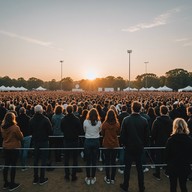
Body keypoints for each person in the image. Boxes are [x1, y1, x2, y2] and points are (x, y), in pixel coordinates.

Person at [120, 101, 149, 192]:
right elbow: (146, 136)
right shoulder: (144, 120)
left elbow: (122, 135)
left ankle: (125, 186)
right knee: (140, 170)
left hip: (129, 148)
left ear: (132, 108)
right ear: (140, 109)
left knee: (127, 169)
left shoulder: (126, 120)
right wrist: (143, 144)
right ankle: (141, 187)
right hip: (139, 148)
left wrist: (125, 144)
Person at [165, 118, 192, 192]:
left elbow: (166, 154)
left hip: (173, 166)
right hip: (184, 165)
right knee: (183, 186)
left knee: (173, 187)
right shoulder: (189, 140)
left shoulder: (170, 140)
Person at [29, 104, 52, 185]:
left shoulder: (31, 120)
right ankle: (42, 178)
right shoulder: (46, 119)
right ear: (42, 111)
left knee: (36, 160)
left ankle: (35, 178)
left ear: (35, 111)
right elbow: (50, 131)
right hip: (44, 141)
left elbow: (30, 131)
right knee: (43, 160)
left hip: (36, 141)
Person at [1, 112, 23, 191]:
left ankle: (6, 182)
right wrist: (21, 133)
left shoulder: (2, 127)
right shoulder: (15, 127)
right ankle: (12, 183)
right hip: (14, 147)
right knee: (13, 165)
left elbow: (3, 136)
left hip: (5, 146)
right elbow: (20, 137)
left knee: (6, 165)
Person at [61, 105, 82, 181]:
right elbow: (80, 130)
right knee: (75, 159)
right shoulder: (76, 119)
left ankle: (67, 175)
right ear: (72, 110)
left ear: (67, 110)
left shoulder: (63, 119)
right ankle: (73, 175)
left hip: (66, 140)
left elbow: (62, 129)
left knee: (66, 159)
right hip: (75, 140)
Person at [151, 105, 173, 180]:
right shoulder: (171, 121)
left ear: (160, 112)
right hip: (168, 141)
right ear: (167, 112)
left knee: (158, 157)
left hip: (159, 141)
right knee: (168, 156)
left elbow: (153, 132)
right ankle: (167, 172)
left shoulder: (157, 121)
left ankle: (158, 174)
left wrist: (153, 140)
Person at [101, 109, 120, 184]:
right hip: (114, 144)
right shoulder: (117, 124)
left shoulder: (105, 124)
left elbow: (102, 134)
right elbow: (118, 132)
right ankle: (112, 178)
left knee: (107, 162)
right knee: (113, 161)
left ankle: (108, 177)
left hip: (106, 144)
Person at [83, 108, 101, 185]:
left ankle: (88, 178)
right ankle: (93, 178)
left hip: (88, 141)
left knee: (88, 161)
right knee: (94, 161)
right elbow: (100, 130)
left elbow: (84, 130)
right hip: (96, 141)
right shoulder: (99, 122)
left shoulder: (86, 122)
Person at [16, 107, 31, 171]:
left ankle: (22, 163)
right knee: (25, 150)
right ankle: (23, 165)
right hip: (27, 136)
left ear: (19, 112)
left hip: (19, 136)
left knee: (20, 150)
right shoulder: (28, 118)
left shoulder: (16, 119)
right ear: (25, 111)